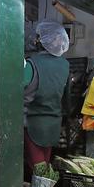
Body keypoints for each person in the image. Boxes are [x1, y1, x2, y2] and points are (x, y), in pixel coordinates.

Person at [22, 22, 70, 174]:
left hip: (33, 124)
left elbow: (16, 91)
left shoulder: (31, 64)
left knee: (38, 168)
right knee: (44, 165)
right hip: (53, 124)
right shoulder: (65, 65)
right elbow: (66, 96)